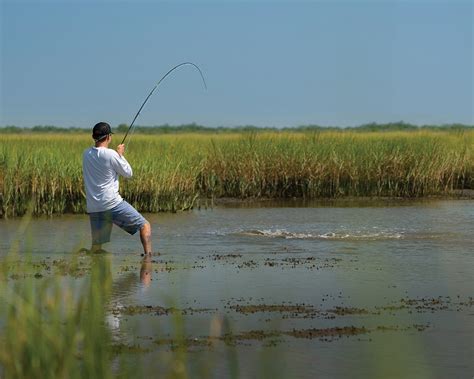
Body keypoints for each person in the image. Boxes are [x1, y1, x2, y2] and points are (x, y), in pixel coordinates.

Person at [82, 122, 152, 256]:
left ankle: (95, 270)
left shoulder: (86, 154)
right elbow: (128, 173)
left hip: (94, 207)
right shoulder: (111, 154)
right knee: (145, 225)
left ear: (93, 137)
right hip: (112, 204)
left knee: (96, 249)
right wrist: (120, 154)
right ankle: (148, 259)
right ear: (108, 137)